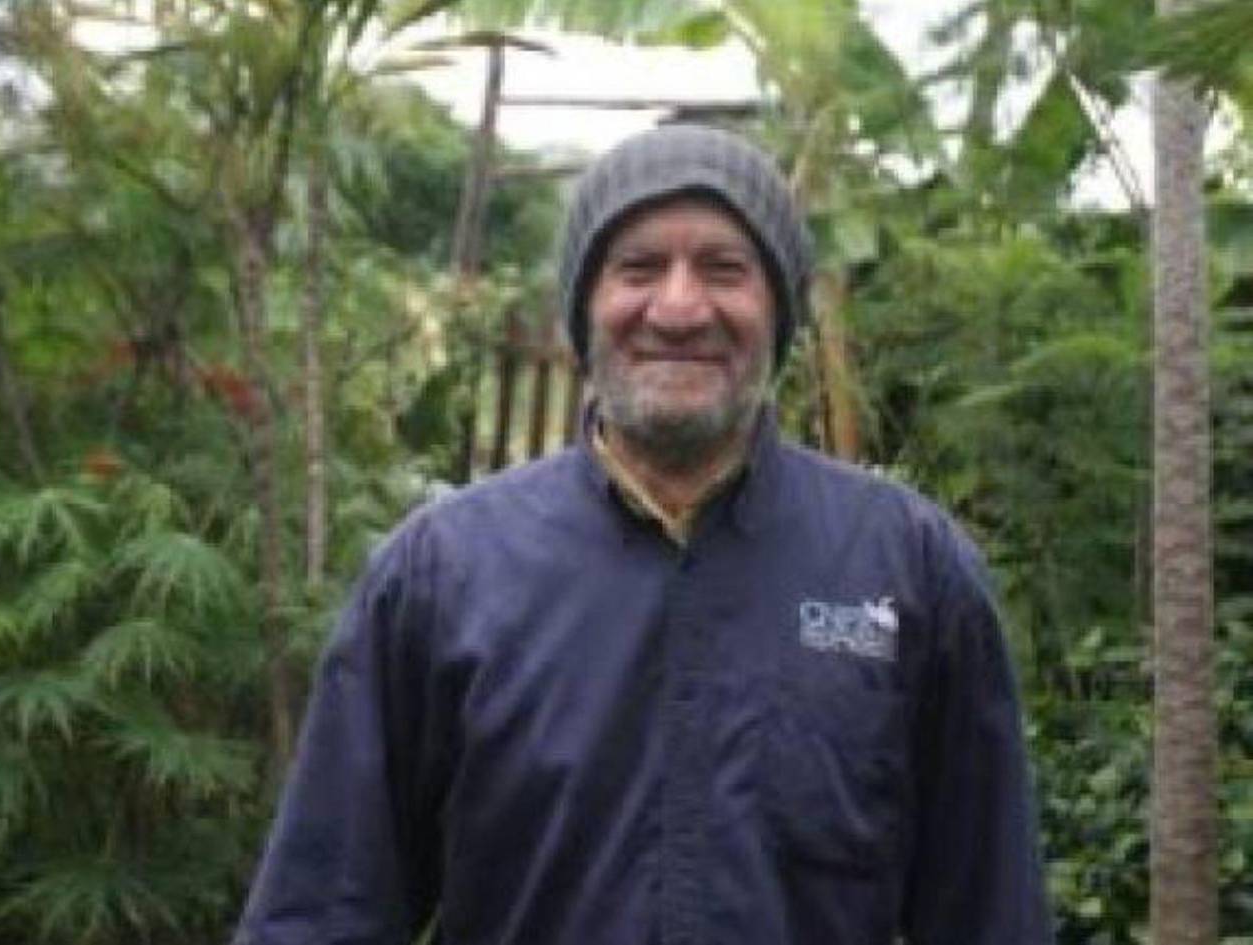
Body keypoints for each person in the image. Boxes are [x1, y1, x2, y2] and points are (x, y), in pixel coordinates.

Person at [234, 124, 1054, 945]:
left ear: (780, 310)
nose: (679, 308)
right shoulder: (440, 577)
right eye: (638, 268)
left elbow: (993, 916)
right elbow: (320, 916)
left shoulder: (909, 570)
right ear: (583, 308)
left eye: (724, 269)